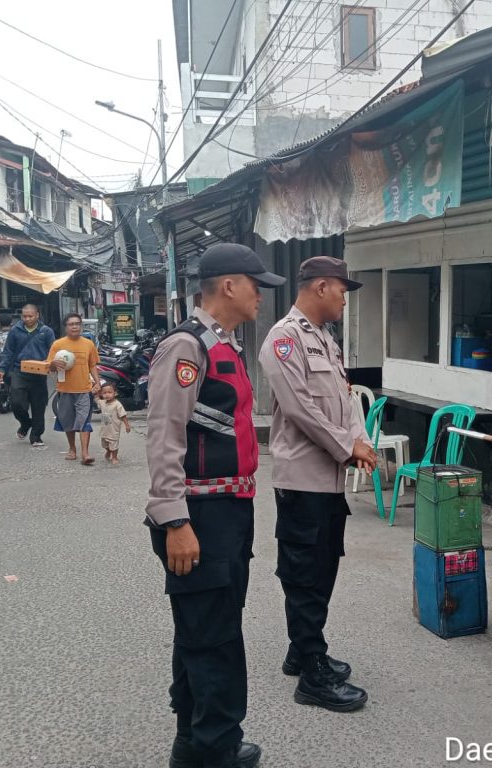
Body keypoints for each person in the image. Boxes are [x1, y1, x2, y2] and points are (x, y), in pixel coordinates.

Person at [145, 243, 284, 768]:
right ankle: (213, 749)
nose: (260, 296)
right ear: (229, 286)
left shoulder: (222, 344)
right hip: (199, 517)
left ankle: (195, 743)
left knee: (206, 631)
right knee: (213, 638)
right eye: (255, 285)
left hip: (228, 511)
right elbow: (164, 435)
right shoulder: (187, 347)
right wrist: (174, 519)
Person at [258, 256, 378, 714]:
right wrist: (349, 447)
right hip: (302, 478)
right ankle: (312, 674)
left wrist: (362, 442)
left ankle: (301, 650)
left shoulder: (326, 339)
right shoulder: (283, 338)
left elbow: (345, 401)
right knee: (304, 574)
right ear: (322, 287)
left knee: (324, 566)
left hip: (329, 479)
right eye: (343, 290)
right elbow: (300, 408)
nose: (345, 300)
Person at [46, 313, 101, 465]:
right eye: (71, 324)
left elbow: (92, 365)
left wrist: (97, 383)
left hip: (84, 390)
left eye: (77, 324)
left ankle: (85, 453)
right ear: (66, 327)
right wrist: (53, 364)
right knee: (68, 421)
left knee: (84, 421)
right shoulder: (58, 345)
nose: (75, 326)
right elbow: (49, 367)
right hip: (65, 390)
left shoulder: (88, 344)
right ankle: (72, 449)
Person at [0, 304, 55, 447]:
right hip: (19, 371)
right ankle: (25, 423)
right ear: (21, 316)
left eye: (30, 316)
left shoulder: (46, 331)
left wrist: (50, 363)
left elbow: (53, 350)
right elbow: (8, 351)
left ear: (37, 315)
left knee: (38, 406)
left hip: (39, 373)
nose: (28, 319)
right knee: (16, 402)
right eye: (25, 316)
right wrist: (2, 369)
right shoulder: (15, 330)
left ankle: (36, 436)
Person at [96, 382, 130, 464]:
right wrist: (97, 390)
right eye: (104, 393)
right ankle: (108, 451)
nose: (107, 395)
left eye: (109, 392)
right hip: (104, 430)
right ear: (101, 394)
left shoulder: (117, 404)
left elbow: (123, 415)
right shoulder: (102, 402)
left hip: (114, 430)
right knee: (104, 444)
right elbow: (96, 398)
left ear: (115, 393)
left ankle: (114, 457)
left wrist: (127, 425)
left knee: (114, 444)